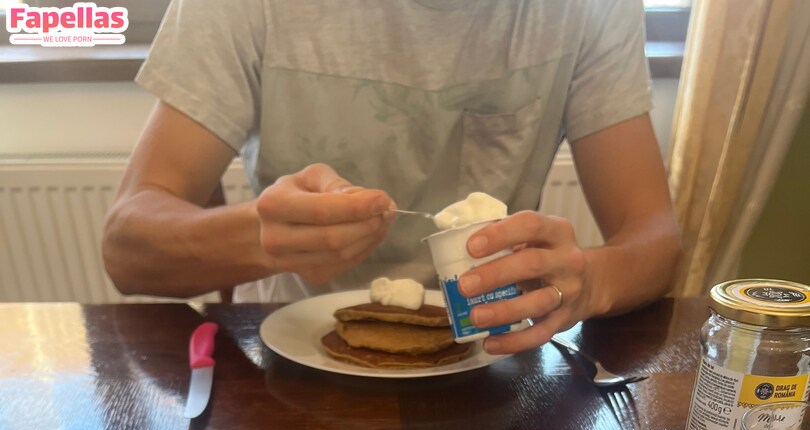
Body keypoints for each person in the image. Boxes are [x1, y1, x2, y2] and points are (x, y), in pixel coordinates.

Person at [102, 0, 682, 356]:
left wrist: (588, 280)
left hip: (491, 364)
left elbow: (654, 239)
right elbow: (127, 248)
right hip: (286, 362)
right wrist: (261, 238)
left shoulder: (593, 9)